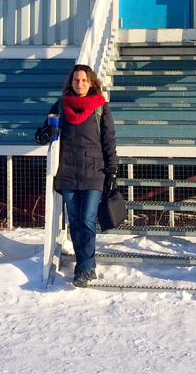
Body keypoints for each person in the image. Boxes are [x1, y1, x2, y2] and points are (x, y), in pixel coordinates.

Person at [35, 64, 118, 288]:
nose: (79, 84)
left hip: (94, 171)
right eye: (75, 81)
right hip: (68, 172)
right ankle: (88, 265)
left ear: (91, 82)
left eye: (83, 80)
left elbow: (109, 140)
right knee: (74, 221)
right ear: (70, 83)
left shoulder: (101, 107)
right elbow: (41, 134)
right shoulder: (61, 106)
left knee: (87, 220)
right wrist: (47, 133)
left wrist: (112, 171)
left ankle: (82, 269)